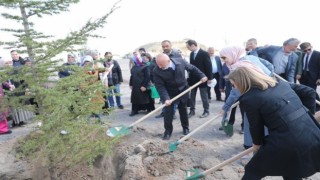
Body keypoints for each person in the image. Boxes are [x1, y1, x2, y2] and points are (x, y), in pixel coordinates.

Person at [228, 66, 320, 180]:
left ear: (241, 82)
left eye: (233, 84)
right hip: (313, 133)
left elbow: (256, 126)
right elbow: (310, 92)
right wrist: (307, 115)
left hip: (287, 141)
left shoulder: (249, 98)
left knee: (253, 170)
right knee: (292, 169)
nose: (234, 87)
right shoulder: (280, 84)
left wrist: (257, 144)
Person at [153, 54, 207, 140]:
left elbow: (192, 68)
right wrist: (166, 98)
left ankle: (185, 128)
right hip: (169, 93)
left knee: (183, 110)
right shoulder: (156, 70)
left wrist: (202, 76)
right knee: (168, 113)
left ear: (168, 61)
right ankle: (167, 131)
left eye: (161, 64)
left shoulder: (180, 61)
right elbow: (160, 86)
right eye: (158, 64)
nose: (159, 66)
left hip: (183, 90)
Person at [186, 39, 213, 118]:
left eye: (188, 47)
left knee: (203, 96)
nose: (188, 49)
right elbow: (191, 67)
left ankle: (206, 111)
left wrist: (209, 78)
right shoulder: (191, 54)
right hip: (193, 79)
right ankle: (192, 110)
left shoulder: (204, 53)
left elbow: (209, 66)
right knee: (192, 96)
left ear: (193, 45)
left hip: (203, 78)